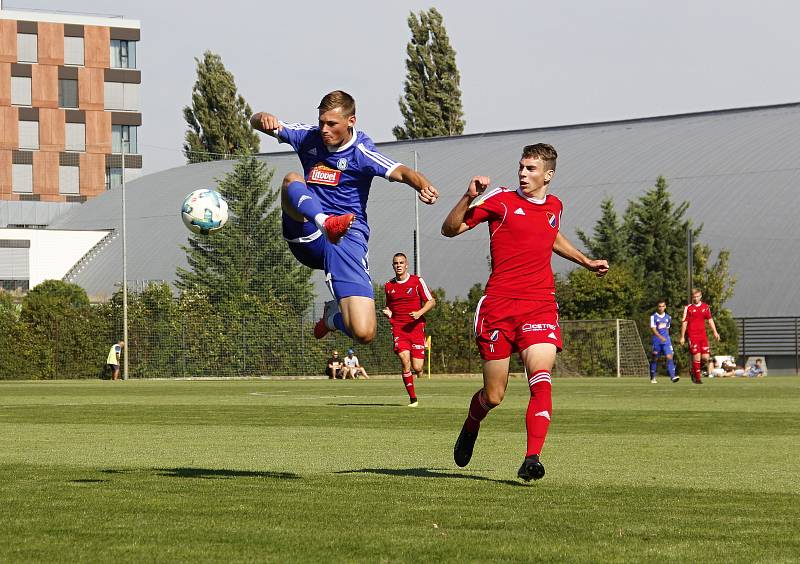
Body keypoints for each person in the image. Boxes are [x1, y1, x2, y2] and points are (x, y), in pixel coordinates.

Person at [441, 144, 609, 482]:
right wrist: (467, 196)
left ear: (548, 175)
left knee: (541, 380)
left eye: (531, 169)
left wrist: (585, 261)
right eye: (521, 167)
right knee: (494, 395)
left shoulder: (555, 206)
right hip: (498, 307)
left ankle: (532, 458)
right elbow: (450, 229)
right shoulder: (500, 201)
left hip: (539, 304)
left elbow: (551, 236)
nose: (523, 173)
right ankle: (473, 422)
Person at [250, 90, 439, 345]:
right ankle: (324, 221)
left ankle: (331, 319)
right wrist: (263, 117)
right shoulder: (308, 137)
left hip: (347, 238)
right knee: (292, 180)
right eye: (321, 122)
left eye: (331, 124)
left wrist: (422, 185)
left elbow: (402, 171)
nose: (324, 129)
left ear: (351, 121)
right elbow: (256, 121)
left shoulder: (361, 152)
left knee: (364, 332)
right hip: (309, 231)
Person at [382, 252, 436, 407]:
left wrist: (419, 313)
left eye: (401, 263)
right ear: (393, 266)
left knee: (417, 367)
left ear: (406, 265)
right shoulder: (388, 286)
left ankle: (419, 371)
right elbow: (390, 307)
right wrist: (389, 313)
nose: (398, 265)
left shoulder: (417, 281)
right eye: (396, 263)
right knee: (405, 361)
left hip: (416, 328)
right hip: (399, 328)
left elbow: (431, 301)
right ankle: (413, 399)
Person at [679, 288, 721, 384]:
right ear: (692, 297)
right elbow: (684, 322)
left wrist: (715, 332)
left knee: (705, 358)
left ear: (701, 296)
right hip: (692, 336)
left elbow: (710, 320)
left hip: (703, 336)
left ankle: (694, 370)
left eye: (697, 296)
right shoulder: (688, 308)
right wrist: (682, 336)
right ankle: (697, 379)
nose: (696, 298)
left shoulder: (705, 307)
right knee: (697, 357)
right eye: (694, 297)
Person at [649, 300, 678, 383]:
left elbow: (667, 329)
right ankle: (653, 377)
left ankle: (673, 377)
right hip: (657, 341)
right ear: (657, 307)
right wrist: (660, 337)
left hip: (666, 341)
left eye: (663, 306)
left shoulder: (668, 317)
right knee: (655, 358)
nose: (661, 308)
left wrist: (667, 339)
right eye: (659, 306)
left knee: (669, 356)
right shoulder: (653, 317)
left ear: (665, 307)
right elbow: (653, 329)